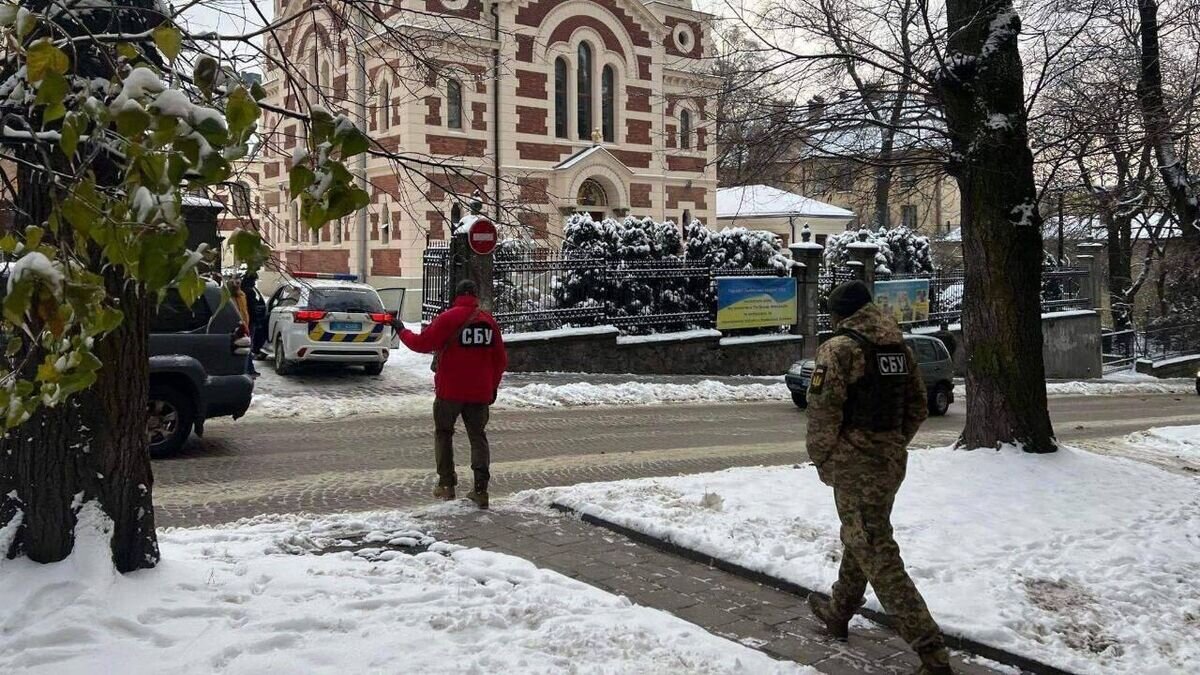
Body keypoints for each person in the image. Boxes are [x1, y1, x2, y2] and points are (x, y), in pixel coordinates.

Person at [805, 280, 953, 675]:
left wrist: (825, 458)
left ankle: (932, 653)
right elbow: (918, 405)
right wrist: (891, 443)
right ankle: (839, 611)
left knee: (876, 550)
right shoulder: (898, 347)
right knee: (862, 535)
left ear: (839, 315)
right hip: (890, 461)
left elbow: (822, 411)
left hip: (855, 464)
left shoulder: (839, 349)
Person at [397, 279, 507, 509]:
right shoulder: (489, 322)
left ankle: (446, 484)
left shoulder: (448, 318)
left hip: (450, 391)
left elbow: (422, 343)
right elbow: (500, 359)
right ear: (476, 295)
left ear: (456, 295)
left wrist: (401, 330)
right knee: (478, 436)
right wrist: (492, 386)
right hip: (479, 392)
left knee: (444, 433)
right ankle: (481, 489)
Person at [241, 273, 268, 360]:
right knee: (249, 340)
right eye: (254, 281)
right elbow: (252, 307)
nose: (255, 283)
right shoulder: (250, 292)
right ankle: (248, 360)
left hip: (244, 319)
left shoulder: (242, 290)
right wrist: (257, 320)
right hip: (250, 319)